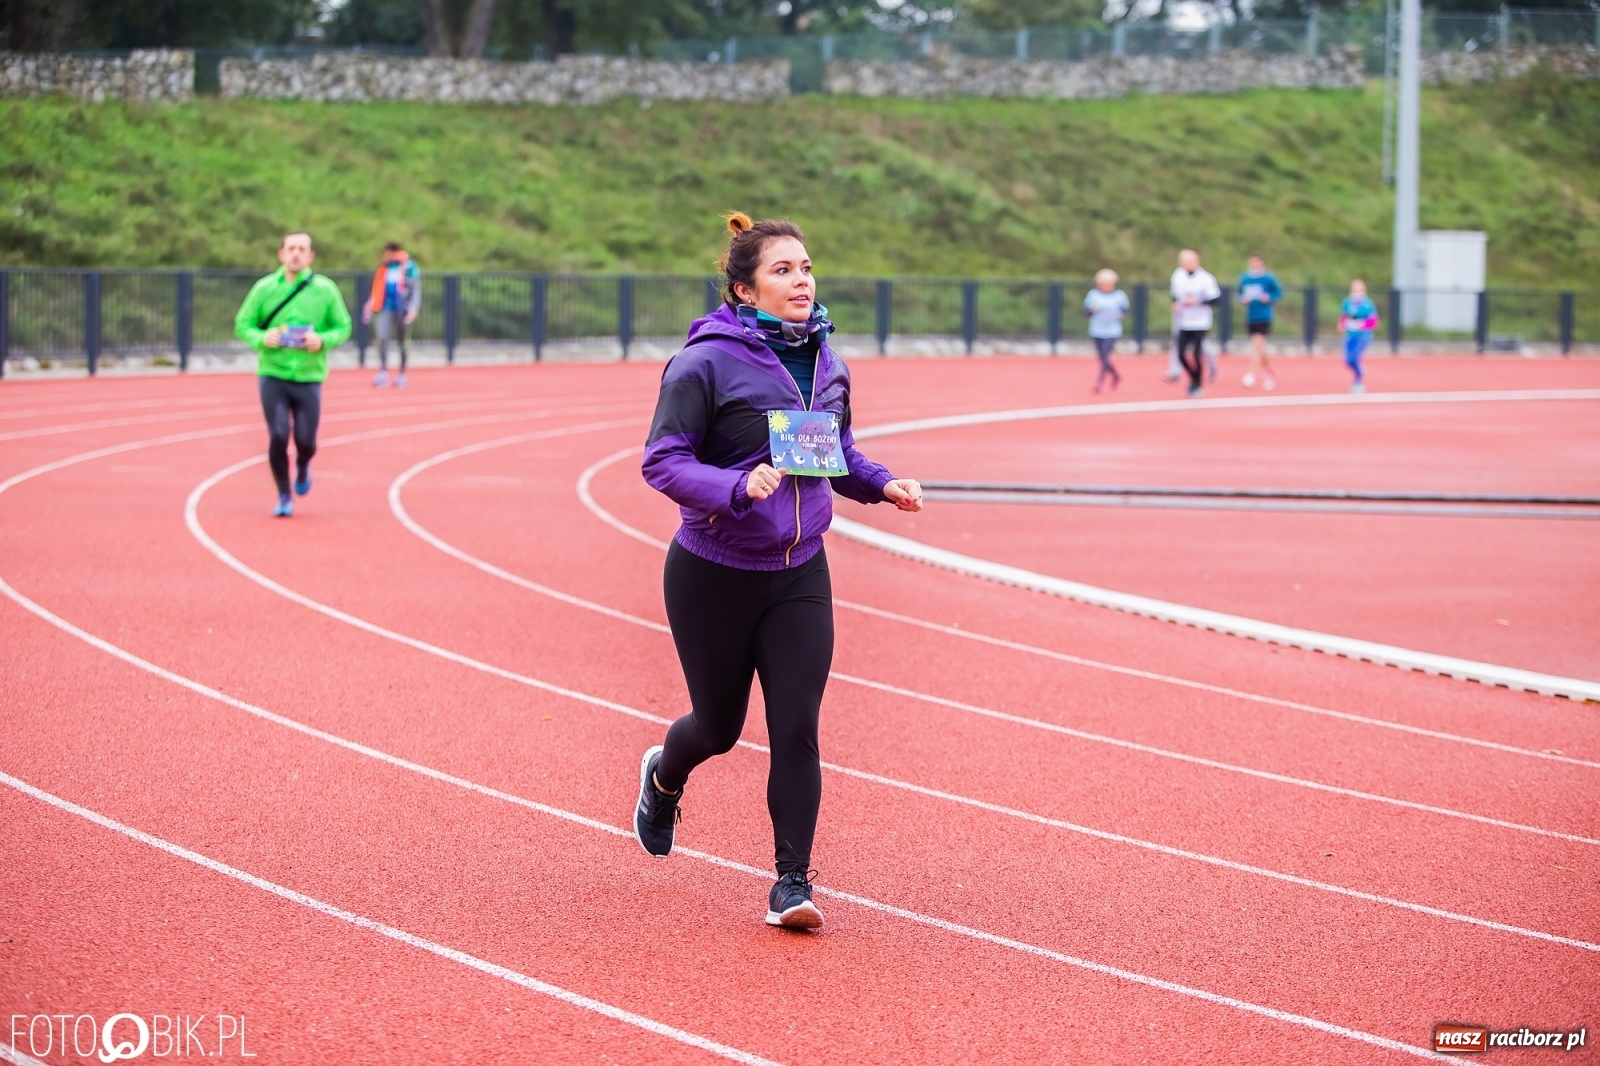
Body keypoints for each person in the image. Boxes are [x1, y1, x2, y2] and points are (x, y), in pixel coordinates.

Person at [634, 213, 923, 930]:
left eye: (807, 267)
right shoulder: (702, 364)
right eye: (784, 270)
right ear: (744, 289)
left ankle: (792, 882)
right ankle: (663, 778)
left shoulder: (829, 363)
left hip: (799, 571)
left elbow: (836, 453)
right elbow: (662, 461)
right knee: (719, 726)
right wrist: (735, 488)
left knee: (796, 726)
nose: (803, 281)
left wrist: (882, 483)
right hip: (713, 570)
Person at [234, 231, 353, 517]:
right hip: (273, 373)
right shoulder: (264, 288)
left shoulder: (324, 290)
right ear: (281, 254)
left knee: (306, 441)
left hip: (309, 376)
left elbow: (344, 326)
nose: (296, 254)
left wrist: (323, 340)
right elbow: (243, 324)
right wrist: (263, 338)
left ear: (311, 256)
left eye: (302, 249)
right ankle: (284, 494)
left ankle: (303, 464)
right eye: (291, 248)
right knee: (277, 435)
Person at [363, 242, 421, 388]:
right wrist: (370, 303)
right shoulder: (384, 267)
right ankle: (383, 371)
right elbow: (377, 288)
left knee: (403, 342)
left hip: (403, 309)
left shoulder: (409, 267)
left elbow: (416, 290)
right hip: (385, 308)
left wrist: (413, 308)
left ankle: (402, 373)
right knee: (382, 339)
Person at [1170, 249, 1222, 397]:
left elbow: (1216, 299)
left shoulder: (1205, 278)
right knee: (1180, 353)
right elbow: (1174, 295)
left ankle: (1197, 383)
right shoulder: (1177, 276)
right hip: (1183, 321)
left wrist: (1198, 301)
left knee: (1196, 353)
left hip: (1201, 321)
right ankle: (1193, 376)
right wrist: (1175, 304)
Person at [1238, 254, 1284, 390]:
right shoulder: (1245, 278)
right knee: (1259, 347)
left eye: (1257, 263)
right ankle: (1268, 372)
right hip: (1251, 315)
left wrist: (1268, 297)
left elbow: (1278, 293)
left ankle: (1251, 374)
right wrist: (1243, 298)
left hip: (1264, 316)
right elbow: (1240, 293)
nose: (1255, 265)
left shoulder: (1268, 278)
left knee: (1257, 345)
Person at [1083, 269, 1128, 393]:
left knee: (1105, 355)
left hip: (1112, 330)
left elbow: (1125, 311)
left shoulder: (1120, 296)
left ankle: (1099, 381)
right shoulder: (1093, 295)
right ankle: (1116, 375)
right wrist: (1092, 310)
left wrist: (1121, 314)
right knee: (1102, 357)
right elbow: (1085, 312)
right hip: (1097, 330)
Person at [1339, 279, 1379, 393]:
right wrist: (1342, 324)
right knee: (1347, 361)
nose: (1357, 292)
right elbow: (1344, 317)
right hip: (1350, 335)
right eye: (1354, 290)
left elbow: (1373, 321)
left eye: (1359, 290)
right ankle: (1359, 368)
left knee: (1355, 357)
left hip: (1363, 335)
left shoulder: (1368, 304)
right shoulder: (1346, 302)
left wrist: (1360, 325)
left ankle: (1358, 382)